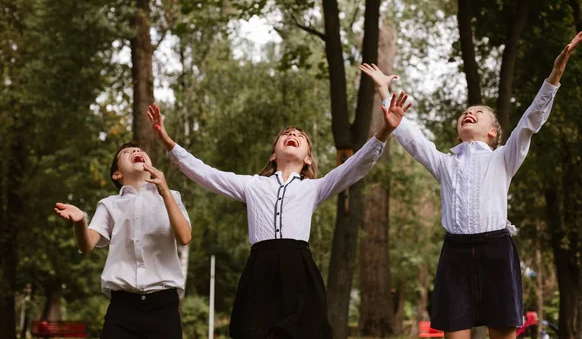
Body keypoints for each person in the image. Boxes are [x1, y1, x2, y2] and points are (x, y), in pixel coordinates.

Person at [359, 31, 582, 339]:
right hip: (455, 254)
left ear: (493, 132)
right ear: (458, 132)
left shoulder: (505, 158)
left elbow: (532, 119)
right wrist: (385, 90)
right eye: (466, 113)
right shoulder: (445, 163)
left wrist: (556, 74)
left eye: (478, 113)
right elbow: (411, 139)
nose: (469, 113)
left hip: (497, 250)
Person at [147, 91, 412, 339]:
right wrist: (168, 143)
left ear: (308, 158)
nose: (292, 134)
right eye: (286, 133)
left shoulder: (314, 187)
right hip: (260, 270)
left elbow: (355, 166)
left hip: (299, 270)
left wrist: (386, 129)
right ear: (274, 154)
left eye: (300, 135)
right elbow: (206, 173)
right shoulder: (252, 185)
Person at [54, 143, 191, 339]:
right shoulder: (109, 205)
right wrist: (80, 221)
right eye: (127, 152)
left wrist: (165, 191)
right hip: (122, 309)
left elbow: (185, 237)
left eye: (140, 150)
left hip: (164, 308)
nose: (136, 152)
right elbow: (87, 244)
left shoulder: (172, 197)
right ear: (117, 174)